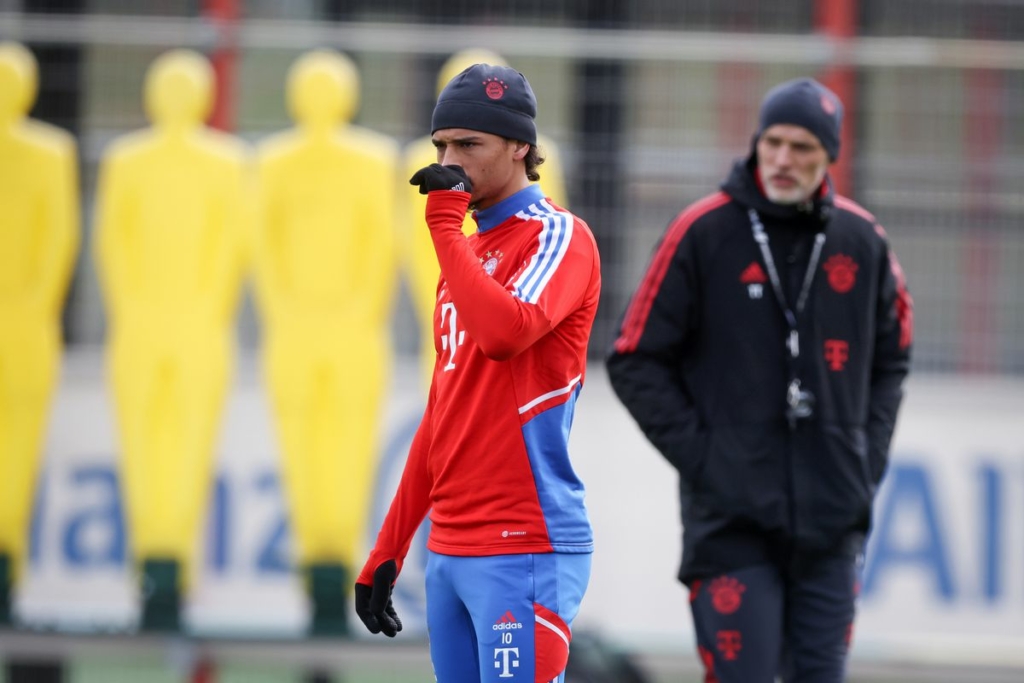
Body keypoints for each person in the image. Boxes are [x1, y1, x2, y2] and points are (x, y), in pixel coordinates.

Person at [606, 78, 913, 682]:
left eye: (801, 147)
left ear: (829, 156)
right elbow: (634, 356)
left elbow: (893, 358)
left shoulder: (862, 239)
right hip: (730, 527)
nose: (781, 159)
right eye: (772, 141)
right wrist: (707, 458)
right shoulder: (702, 230)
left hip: (830, 523)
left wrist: (863, 456)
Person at [355, 63, 601, 683]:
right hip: (451, 550)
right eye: (442, 145)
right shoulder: (466, 255)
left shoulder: (560, 237)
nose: (451, 160)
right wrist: (390, 546)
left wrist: (443, 226)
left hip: (523, 545)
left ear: (521, 146)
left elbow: (504, 334)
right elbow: (443, 414)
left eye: (470, 145)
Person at [253, 49, 399, 636]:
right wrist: (288, 310)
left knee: (347, 456)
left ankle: (339, 572)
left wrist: (356, 311)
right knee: (303, 456)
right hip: (298, 331)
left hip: (350, 332)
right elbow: (264, 243)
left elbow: (378, 243)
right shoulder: (274, 162)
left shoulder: (372, 162)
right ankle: (317, 574)